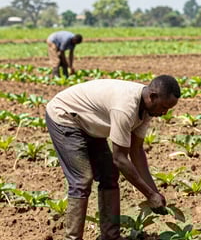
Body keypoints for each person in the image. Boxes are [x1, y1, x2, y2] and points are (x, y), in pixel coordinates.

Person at [45, 75, 180, 240]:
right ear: (152, 97)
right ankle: (72, 238)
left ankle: (110, 237)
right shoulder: (125, 108)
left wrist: (155, 193)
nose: (164, 113)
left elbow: (136, 151)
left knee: (109, 175)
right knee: (82, 180)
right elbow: (120, 159)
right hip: (65, 116)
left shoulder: (147, 110)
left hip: (89, 122)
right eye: (164, 107)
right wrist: (150, 195)